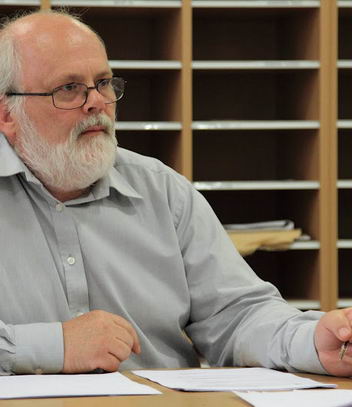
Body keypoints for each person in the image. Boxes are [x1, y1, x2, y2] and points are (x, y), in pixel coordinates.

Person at [0, 9, 350, 378]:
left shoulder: (163, 191)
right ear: (7, 113)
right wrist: (55, 347)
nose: (97, 102)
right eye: (68, 88)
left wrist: (312, 341)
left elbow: (237, 315)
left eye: (103, 83)